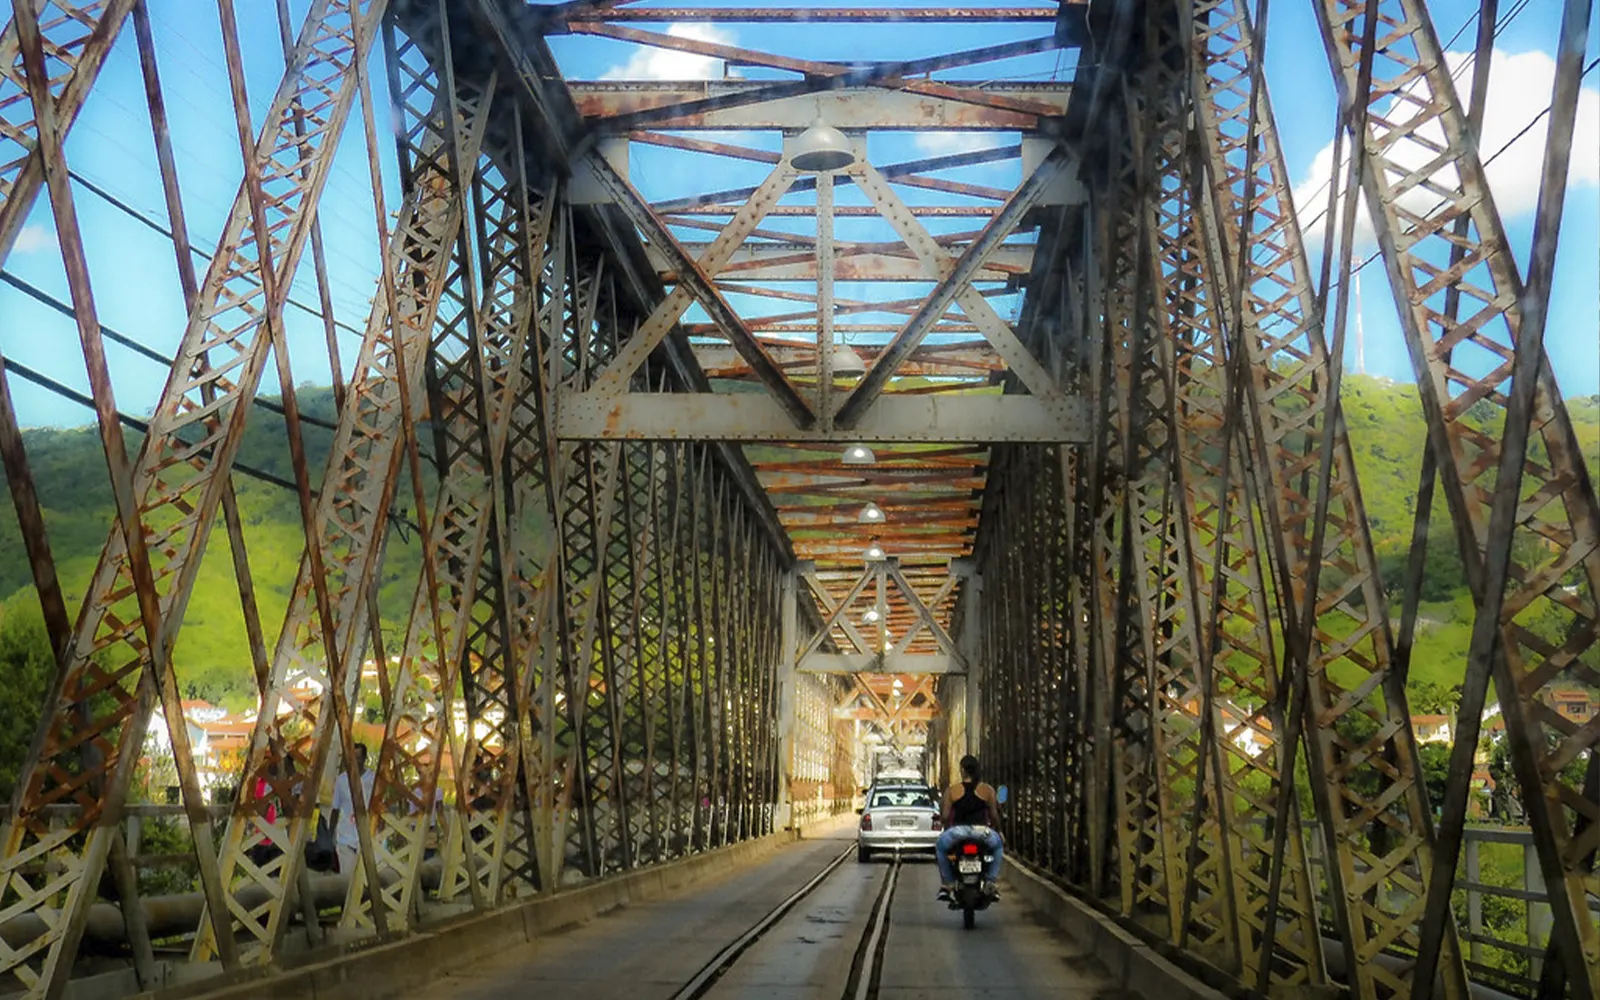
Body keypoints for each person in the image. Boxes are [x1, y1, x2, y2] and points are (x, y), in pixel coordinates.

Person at [934, 754, 1003, 901]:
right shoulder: (987, 790)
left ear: (962, 770)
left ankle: (947, 884)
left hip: (958, 832)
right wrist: (999, 831)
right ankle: (990, 881)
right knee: (998, 846)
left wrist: (946, 827)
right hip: (981, 832)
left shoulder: (953, 790)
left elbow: (945, 816)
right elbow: (994, 815)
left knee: (940, 847)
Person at [330, 743, 374, 878]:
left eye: (358, 758)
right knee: (346, 879)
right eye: (352, 758)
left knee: (367, 878)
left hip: (368, 837)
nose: (355, 761)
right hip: (345, 838)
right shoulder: (341, 780)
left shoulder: (373, 779)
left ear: (365, 758)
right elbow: (335, 809)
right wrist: (331, 835)